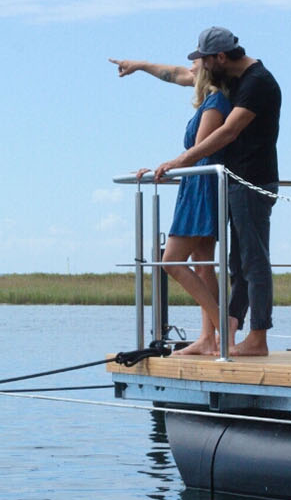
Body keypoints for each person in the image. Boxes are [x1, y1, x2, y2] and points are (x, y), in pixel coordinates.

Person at [113, 26, 281, 356]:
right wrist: (140, 65)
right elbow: (174, 73)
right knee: (221, 264)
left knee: (249, 260)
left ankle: (236, 332)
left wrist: (174, 163)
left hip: (249, 180)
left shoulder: (251, 85)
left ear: (218, 59)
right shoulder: (226, 81)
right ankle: (213, 336)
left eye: (199, 61)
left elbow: (224, 135)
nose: (191, 67)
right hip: (228, 183)